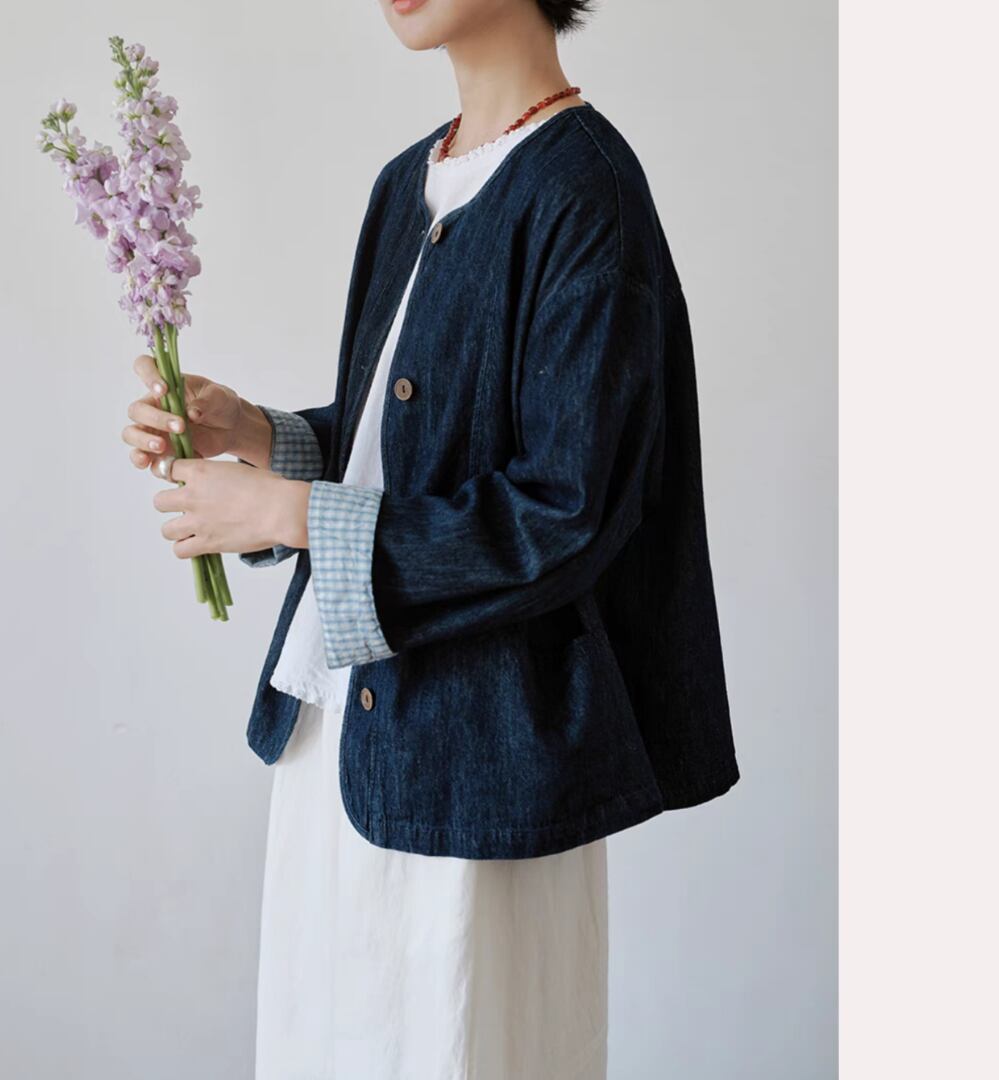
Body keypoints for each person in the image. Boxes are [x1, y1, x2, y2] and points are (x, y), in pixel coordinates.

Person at [121, 0, 739, 1075]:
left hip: (480, 777)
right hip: (337, 742)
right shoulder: (406, 182)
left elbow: (565, 514)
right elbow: (409, 450)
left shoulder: (586, 192)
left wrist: (286, 515)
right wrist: (255, 433)